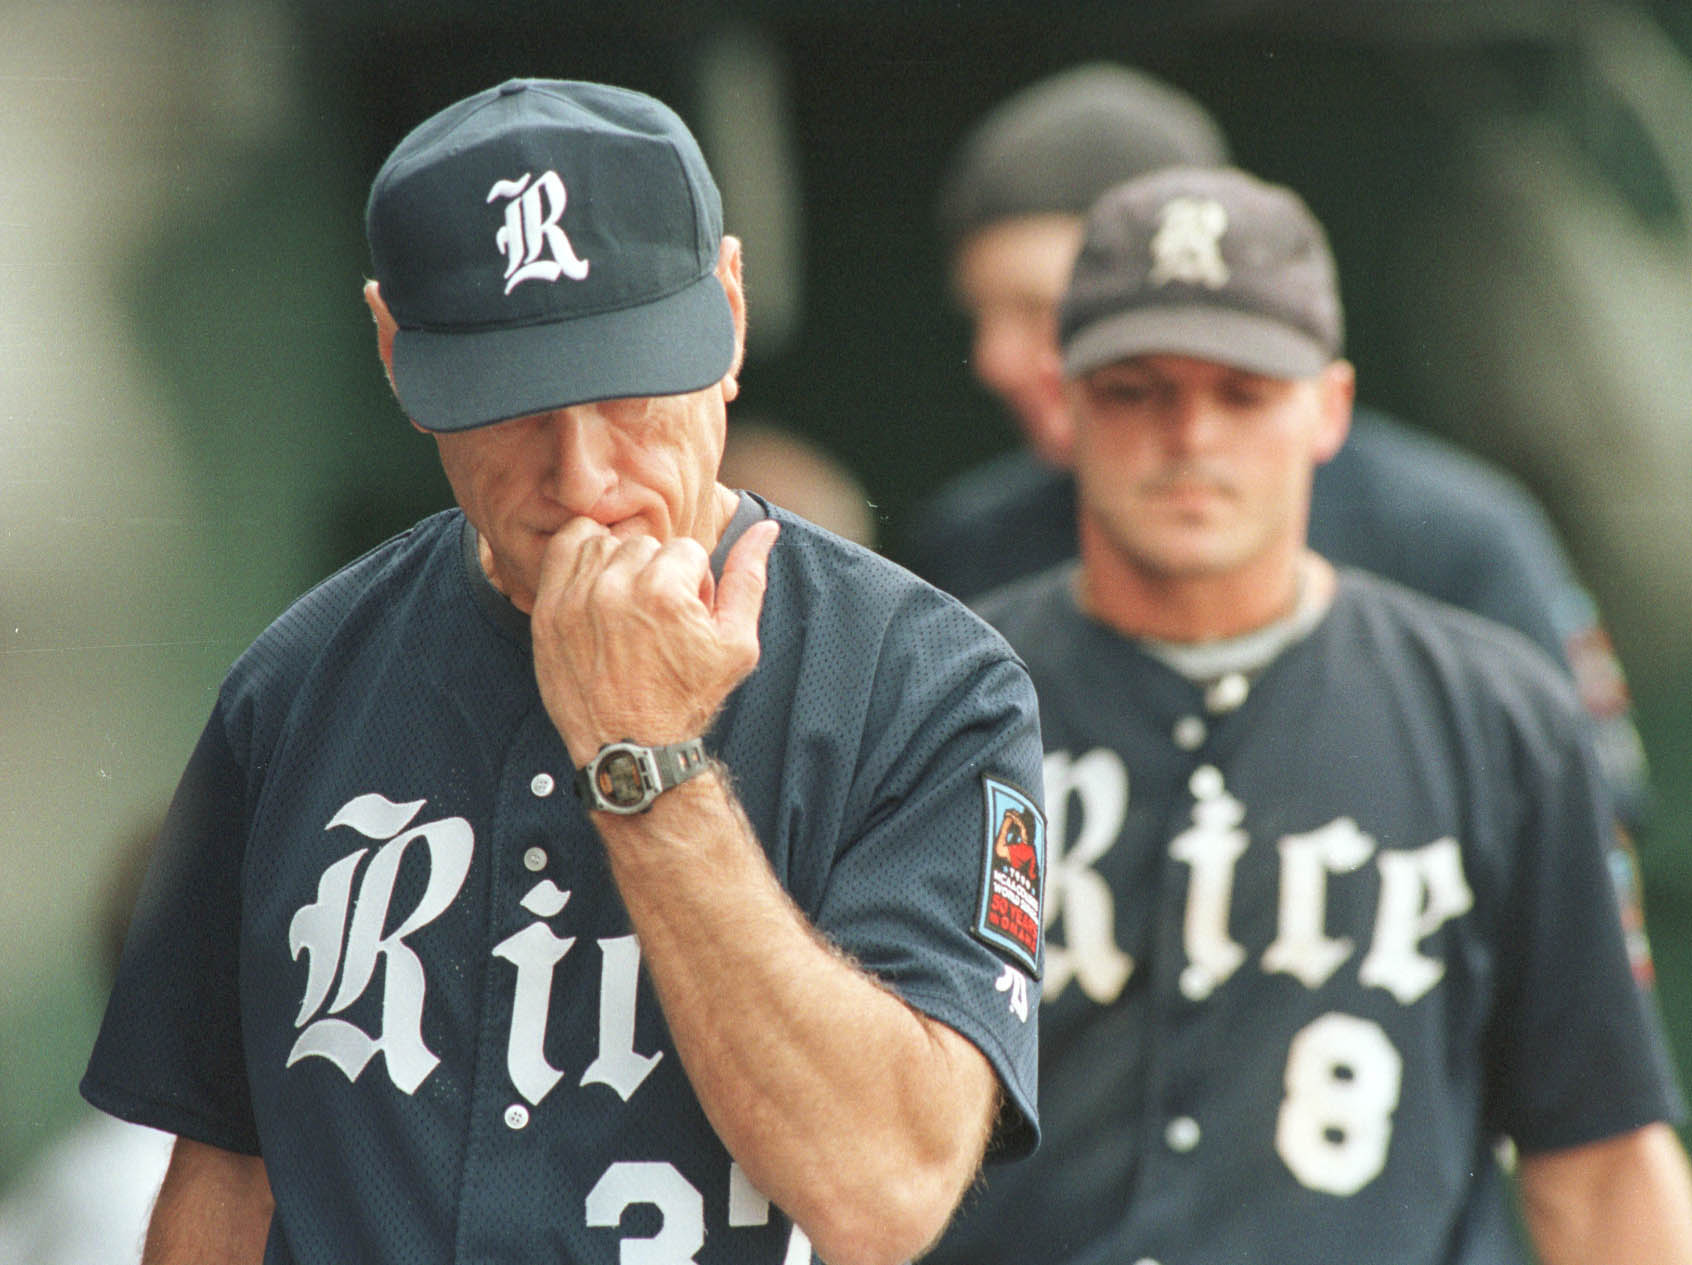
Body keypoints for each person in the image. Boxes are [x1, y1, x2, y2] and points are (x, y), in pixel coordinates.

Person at [79, 79, 1046, 1265]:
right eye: (513, 404)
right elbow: (225, 1183)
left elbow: (886, 1191)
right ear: (393, 349)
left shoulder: (924, 683)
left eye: (630, 388)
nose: (585, 475)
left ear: (729, 312)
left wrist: (647, 763)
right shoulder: (290, 687)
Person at [924, 166, 1692, 1265]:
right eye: (1138, 387)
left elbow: (1605, 1159)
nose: (1191, 434)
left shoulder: (1500, 714)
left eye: (1243, 391)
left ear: (1329, 407)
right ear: (1067, 398)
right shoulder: (935, 691)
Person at [902, 63, 1652, 838]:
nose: (994, 358)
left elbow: (1585, 821)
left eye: (1040, 309)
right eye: (982, 314)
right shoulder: (974, 540)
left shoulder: (1452, 534)